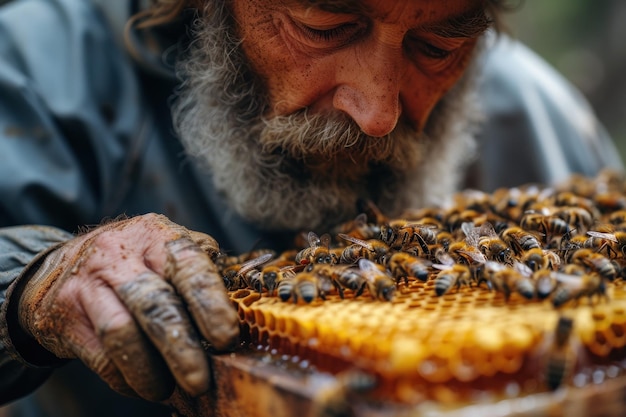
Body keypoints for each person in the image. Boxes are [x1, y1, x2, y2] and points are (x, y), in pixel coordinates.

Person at [0, 0, 622, 416]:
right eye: (323, 27)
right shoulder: (32, 68)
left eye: (435, 47)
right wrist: (35, 282)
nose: (377, 113)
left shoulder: (535, 113)